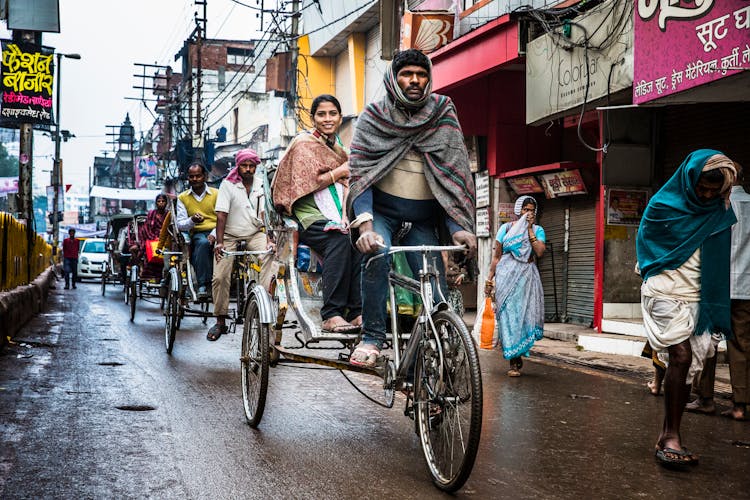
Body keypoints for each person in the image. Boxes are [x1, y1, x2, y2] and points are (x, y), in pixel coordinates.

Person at [347, 48, 476, 367]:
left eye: (421, 74)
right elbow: (360, 176)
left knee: (434, 281)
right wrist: (365, 228)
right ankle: (372, 337)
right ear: (394, 78)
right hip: (383, 215)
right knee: (377, 253)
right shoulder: (374, 116)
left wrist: (459, 228)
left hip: (424, 219)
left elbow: (452, 179)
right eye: (407, 74)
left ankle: (438, 348)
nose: (415, 80)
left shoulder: (443, 112)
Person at [637, 149, 736, 469]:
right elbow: (646, 245)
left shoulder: (718, 210)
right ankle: (671, 437)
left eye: (713, 190)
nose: (706, 194)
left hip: (699, 296)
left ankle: (668, 433)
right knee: (681, 356)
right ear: (690, 180)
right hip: (664, 291)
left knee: (691, 364)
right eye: (702, 188)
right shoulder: (662, 205)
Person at [272, 94, 362, 333]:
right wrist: (340, 171)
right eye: (321, 114)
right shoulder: (304, 143)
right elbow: (304, 184)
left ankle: (355, 312)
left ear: (340, 117)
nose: (327, 119)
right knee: (340, 238)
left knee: (358, 239)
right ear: (312, 118)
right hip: (306, 214)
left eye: (332, 114)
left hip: (334, 211)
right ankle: (331, 314)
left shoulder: (339, 147)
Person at [685, 161, 750, 421]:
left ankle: (705, 398)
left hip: (716, 284)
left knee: (706, 340)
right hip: (746, 284)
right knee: (742, 344)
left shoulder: (714, 206)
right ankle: (740, 405)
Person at [208, 148, 273, 341]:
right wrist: (219, 243)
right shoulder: (228, 185)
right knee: (220, 277)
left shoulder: (262, 185)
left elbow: (266, 214)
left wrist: (270, 239)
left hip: (255, 232)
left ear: (256, 167)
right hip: (229, 234)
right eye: (244, 165)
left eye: (251, 166)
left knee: (269, 256)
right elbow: (221, 214)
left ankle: (263, 307)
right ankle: (220, 320)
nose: (248, 169)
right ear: (238, 166)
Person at [484, 196, 546, 377]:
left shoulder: (537, 230)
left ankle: (518, 353)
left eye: (532, 210)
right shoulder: (505, 229)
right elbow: (497, 257)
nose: (529, 213)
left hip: (527, 277)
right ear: (518, 210)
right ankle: (513, 361)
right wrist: (489, 280)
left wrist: (528, 230)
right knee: (510, 316)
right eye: (526, 209)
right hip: (506, 277)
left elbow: (540, 251)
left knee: (525, 315)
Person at [176, 161, 218, 299]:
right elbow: (180, 224)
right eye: (191, 176)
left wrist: (214, 234)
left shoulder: (217, 194)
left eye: (198, 176)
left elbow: (224, 217)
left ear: (205, 176)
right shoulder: (182, 197)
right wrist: (192, 220)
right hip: (198, 233)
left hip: (220, 231)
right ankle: (203, 284)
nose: (194, 179)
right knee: (203, 243)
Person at [138, 193, 169, 281]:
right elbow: (146, 228)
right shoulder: (152, 213)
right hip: (151, 239)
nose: (161, 203)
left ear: (166, 203)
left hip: (165, 240)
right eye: (159, 201)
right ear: (156, 203)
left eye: (163, 201)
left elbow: (170, 228)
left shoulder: (168, 214)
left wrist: (162, 238)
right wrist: (154, 237)